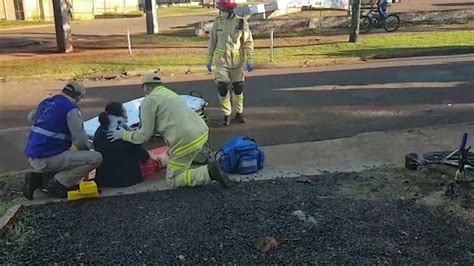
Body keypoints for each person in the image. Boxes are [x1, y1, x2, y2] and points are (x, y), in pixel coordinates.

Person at [107, 72, 232, 189]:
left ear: (145, 87)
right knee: (175, 156)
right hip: (202, 132)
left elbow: (144, 135)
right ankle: (200, 161)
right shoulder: (169, 93)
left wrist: (124, 134)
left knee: (172, 179)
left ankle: (208, 172)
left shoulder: (149, 100)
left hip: (186, 140)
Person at [23, 82, 103, 199]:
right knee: (96, 158)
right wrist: (87, 152)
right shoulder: (71, 109)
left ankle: (38, 179)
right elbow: (80, 140)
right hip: (48, 156)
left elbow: (30, 118)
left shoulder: (46, 102)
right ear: (78, 96)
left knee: (70, 156)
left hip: (34, 154)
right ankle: (59, 183)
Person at [206, 0, 254, 126]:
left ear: (230, 10)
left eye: (223, 10)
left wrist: (249, 60)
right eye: (220, 10)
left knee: (238, 88)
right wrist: (208, 59)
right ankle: (226, 113)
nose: (221, 13)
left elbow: (248, 42)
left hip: (236, 62)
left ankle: (239, 113)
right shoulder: (218, 23)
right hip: (221, 61)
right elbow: (212, 42)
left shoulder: (241, 22)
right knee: (222, 86)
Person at [93, 102, 152, 188]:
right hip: (128, 180)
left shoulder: (99, 132)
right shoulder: (122, 132)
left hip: (104, 180)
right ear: (121, 114)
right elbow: (143, 156)